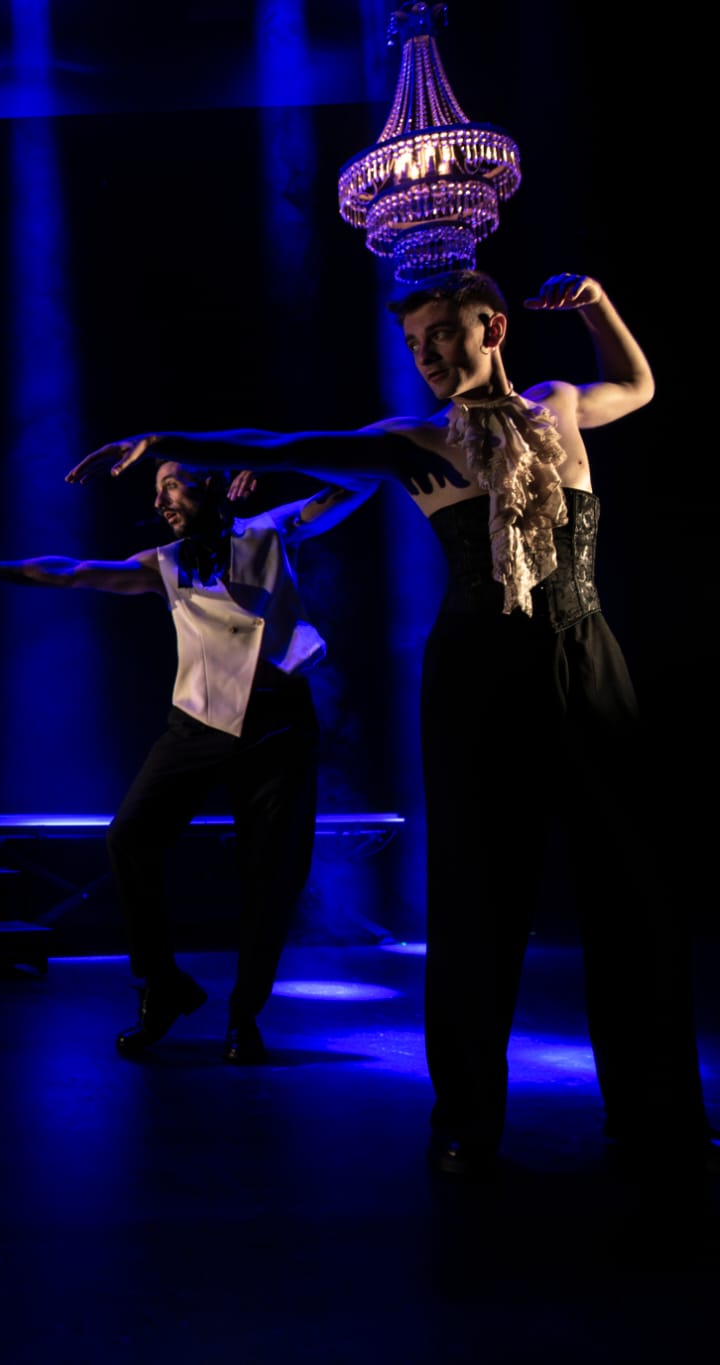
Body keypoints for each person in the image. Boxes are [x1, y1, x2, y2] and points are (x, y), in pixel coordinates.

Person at [72, 270, 712, 1176]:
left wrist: (599, 305)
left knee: (633, 883)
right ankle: (467, 1120)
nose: (428, 356)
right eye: (415, 345)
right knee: (476, 893)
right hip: (477, 671)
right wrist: (168, 440)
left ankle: (657, 1112)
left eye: (442, 333)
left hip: (586, 653)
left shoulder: (560, 406)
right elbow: (283, 442)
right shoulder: (416, 442)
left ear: (492, 327)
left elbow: (639, 385)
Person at [0, 463, 376, 1062]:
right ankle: (163, 985)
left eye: (172, 485)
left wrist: (272, 461)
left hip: (278, 725)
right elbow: (75, 572)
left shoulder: (270, 529)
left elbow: (361, 481)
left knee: (272, 875)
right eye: (156, 492)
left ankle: (244, 1016)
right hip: (199, 723)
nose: (160, 501)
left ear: (214, 483)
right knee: (129, 838)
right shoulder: (165, 563)